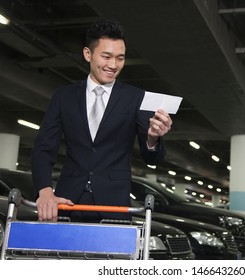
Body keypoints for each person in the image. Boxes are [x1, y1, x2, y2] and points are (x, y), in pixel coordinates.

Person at [31, 19, 172, 223]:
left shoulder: (137, 98)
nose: (113, 65)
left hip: (114, 207)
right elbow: (44, 148)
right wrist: (44, 191)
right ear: (88, 54)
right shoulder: (64, 96)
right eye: (106, 56)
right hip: (68, 203)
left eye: (120, 58)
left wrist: (153, 138)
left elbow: (153, 159)